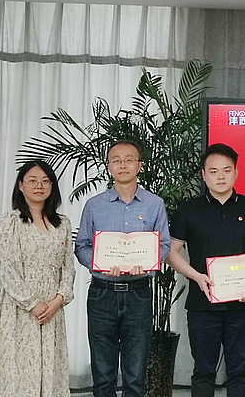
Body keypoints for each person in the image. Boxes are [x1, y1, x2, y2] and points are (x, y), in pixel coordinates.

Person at [167, 143, 245, 397]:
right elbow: (171, 252)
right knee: (203, 372)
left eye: (227, 170)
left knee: (239, 372)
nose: (220, 176)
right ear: (204, 175)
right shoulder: (188, 210)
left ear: (236, 172)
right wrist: (196, 276)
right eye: (213, 171)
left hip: (241, 304)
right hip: (202, 304)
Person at [75, 140, 171, 397]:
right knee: (103, 375)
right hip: (102, 293)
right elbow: (81, 246)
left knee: (135, 376)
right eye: (116, 160)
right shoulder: (94, 205)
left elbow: (164, 245)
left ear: (139, 165)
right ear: (109, 166)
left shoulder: (154, 204)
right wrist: (99, 265)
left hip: (139, 293)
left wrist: (148, 265)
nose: (123, 165)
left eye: (129, 159)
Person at [0, 160, 75, 397]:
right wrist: (33, 303)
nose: (39, 186)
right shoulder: (10, 222)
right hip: (18, 310)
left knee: (50, 370)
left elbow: (68, 267)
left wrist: (58, 300)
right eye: (32, 181)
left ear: (52, 186)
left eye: (45, 181)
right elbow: (8, 270)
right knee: (17, 372)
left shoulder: (63, 224)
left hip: (52, 310)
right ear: (20, 185)